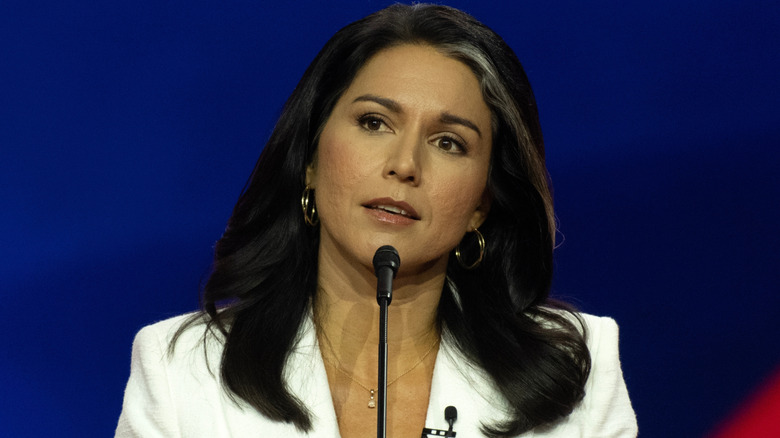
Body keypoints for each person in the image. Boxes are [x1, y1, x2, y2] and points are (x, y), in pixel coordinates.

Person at [116, 3, 637, 437]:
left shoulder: (577, 370)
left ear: (483, 202)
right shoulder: (181, 371)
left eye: (449, 142)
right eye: (374, 122)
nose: (405, 164)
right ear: (311, 161)